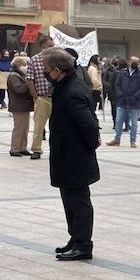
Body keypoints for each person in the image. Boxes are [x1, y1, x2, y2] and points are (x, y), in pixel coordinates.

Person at [42, 49, 100, 262]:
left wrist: (91, 144)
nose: (46, 73)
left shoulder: (73, 91)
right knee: (69, 199)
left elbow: (88, 124)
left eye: (47, 70)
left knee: (79, 201)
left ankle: (84, 244)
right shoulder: (65, 86)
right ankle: (75, 238)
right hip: (66, 153)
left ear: (58, 70)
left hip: (75, 155)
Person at [23, 37, 55, 159]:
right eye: (50, 45)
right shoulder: (35, 60)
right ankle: (36, 149)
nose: (52, 47)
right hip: (42, 97)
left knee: (57, 126)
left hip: (56, 97)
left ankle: (57, 149)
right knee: (39, 126)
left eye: (53, 45)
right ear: (43, 46)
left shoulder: (56, 59)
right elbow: (30, 79)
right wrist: (35, 97)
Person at [108, 56, 140, 147]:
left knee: (134, 123)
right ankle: (117, 140)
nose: (135, 63)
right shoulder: (123, 72)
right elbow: (117, 84)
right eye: (133, 61)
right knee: (118, 121)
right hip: (122, 101)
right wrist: (119, 94)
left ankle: (132, 141)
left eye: (137, 61)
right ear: (129, 62)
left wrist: (136, 95)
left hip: (134, 102)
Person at [7, 56, 34, 156]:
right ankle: (14, 148)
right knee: (19, 128)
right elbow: (18, 89)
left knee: (25, 128)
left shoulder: (21, 75)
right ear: (18, 66)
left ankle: (22, 147)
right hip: (18, 106)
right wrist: (29, 84)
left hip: (24, 106)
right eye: (24, 65)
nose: (25, 67)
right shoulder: (14, 76)